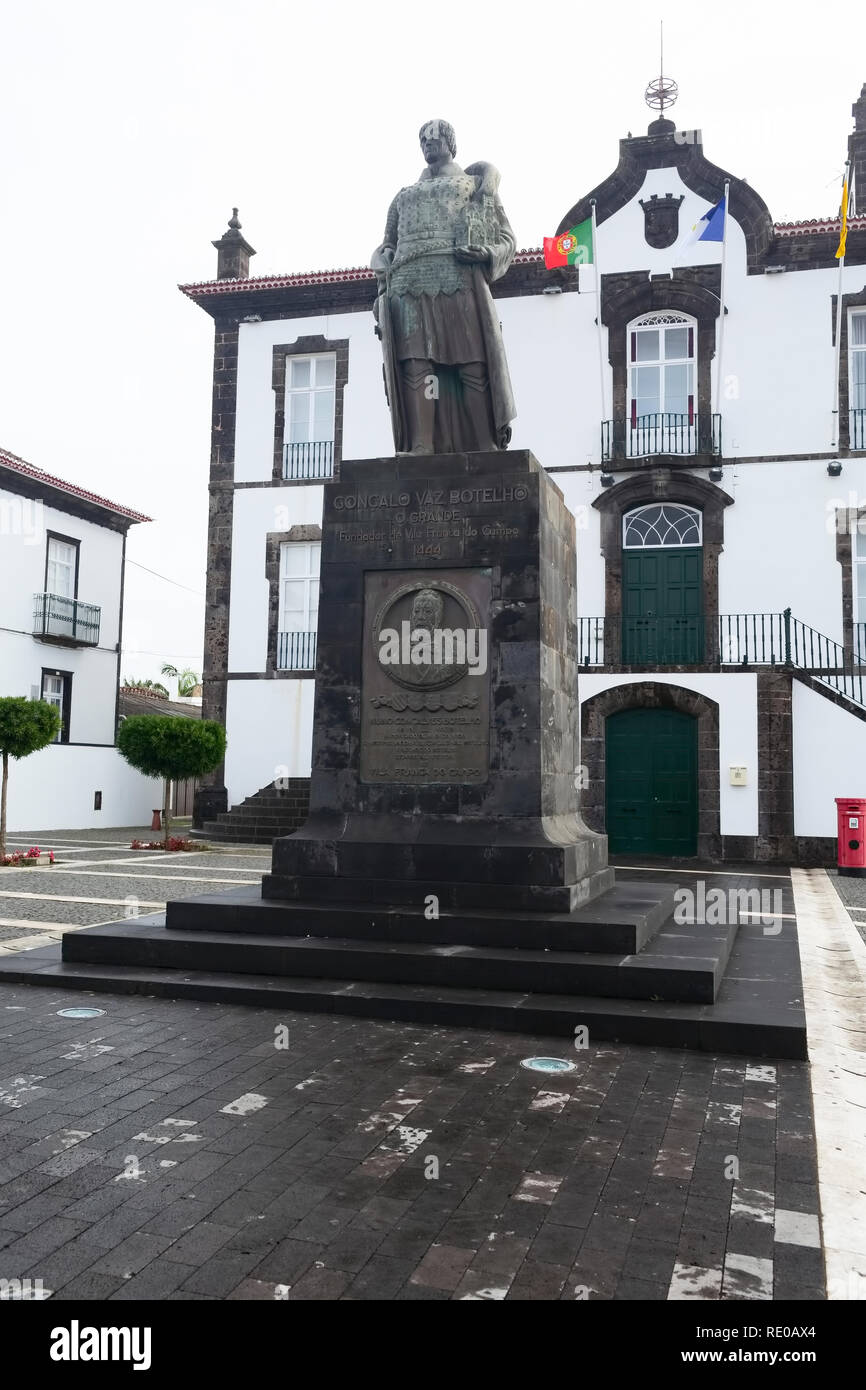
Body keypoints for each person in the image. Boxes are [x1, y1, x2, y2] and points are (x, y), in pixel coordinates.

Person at [372, 119, 516, 455]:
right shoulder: (402, 197)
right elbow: (386, 245)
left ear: (450, 142)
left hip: (457, 279)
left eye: (434, 139)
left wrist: (488, 252)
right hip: (408, 284)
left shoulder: (474, 187)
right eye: (423, 140)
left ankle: (483, 444)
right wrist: (383, 260)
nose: (428, 144)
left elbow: (506, 240)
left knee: (471, 364)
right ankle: (423, 444)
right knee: (418, 367)